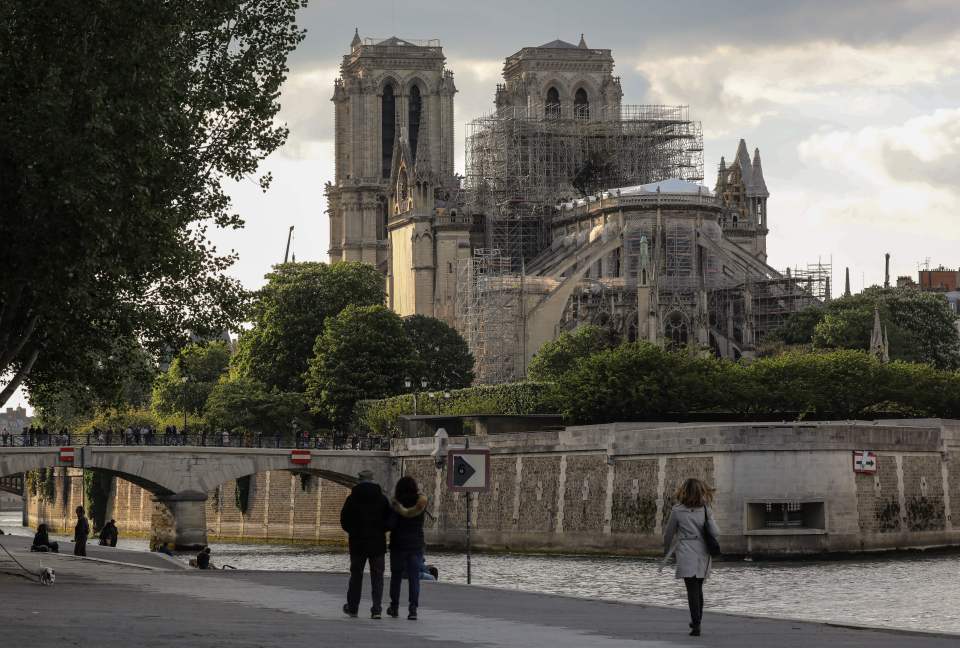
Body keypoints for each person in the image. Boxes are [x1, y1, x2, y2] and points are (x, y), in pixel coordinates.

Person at [663, 478, 720, 637]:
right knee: (698, 588)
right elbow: (715, 532)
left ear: (684, 491)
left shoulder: (677, 510)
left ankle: (696, 623)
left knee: (691, 589)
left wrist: (666, 551)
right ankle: (697, 621)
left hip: (685, 551)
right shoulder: (706, 510)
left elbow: (669, 534)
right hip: (702, 552)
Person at [339, 469, 391, 619]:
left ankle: (353, 607)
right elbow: (390, 519)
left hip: (357, 544)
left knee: (356, 576)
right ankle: (376, 609)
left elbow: (344, 520)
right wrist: (382, 530)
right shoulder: (382, 499)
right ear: (373, 479)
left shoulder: (352, 499)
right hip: (377, 544)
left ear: (359, 480)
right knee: (377, 577)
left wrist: (353, 531)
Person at [387, 476, 428, 621]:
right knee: (414, 578)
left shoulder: (396, 504)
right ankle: (413, 609)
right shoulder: (420, 503)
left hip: (398, 545)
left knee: (396, 577)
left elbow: (390, 525)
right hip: (415, 545)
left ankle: (394, 607)